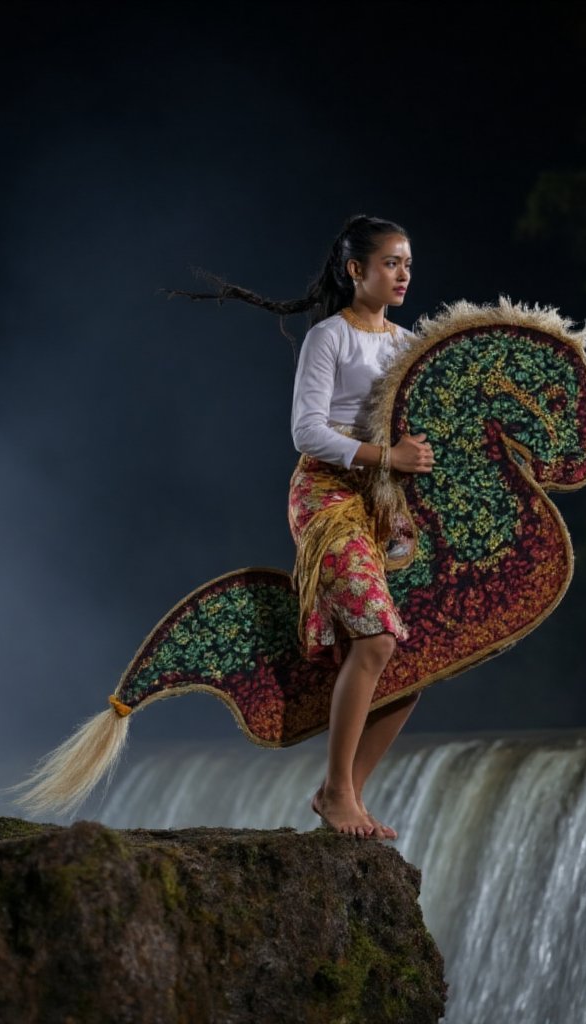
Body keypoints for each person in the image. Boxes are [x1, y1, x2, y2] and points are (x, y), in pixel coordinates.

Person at [184, 215, 434, 837]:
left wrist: (414, 468)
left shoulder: (408, 344)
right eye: (391, 263)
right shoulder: (331, 337)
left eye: (407, 263)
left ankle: (337, 792)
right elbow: (307, 431)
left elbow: (413, 431)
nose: (403, 274)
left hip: (381, 503)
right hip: (325, 496)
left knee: (416, 668)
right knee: (377, 641)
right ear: (356, 270)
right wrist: (388, 457)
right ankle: (341, 795)